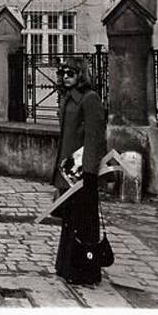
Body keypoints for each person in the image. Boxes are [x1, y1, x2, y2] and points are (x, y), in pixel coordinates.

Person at [52, 57, 106, 286]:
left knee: (83, 222)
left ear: (81, 75)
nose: (66, 76)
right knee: (69, 220)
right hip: (68, 170)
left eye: (71, 73)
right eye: (63, 72)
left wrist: (90, 173)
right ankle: (66, 266)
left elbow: (95, 137)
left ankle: (84, 270)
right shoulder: (67, 98)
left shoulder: (90, 98)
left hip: (82, 172)